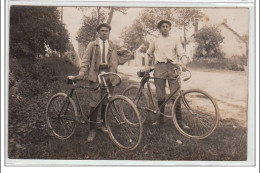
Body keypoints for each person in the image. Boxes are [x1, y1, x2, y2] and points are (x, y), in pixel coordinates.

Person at [77, 23, 133, 142]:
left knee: (105, 101)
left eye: (106, 31)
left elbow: (128, 53)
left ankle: (103, 124)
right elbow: (85, 60)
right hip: (96, 75)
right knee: (94, 102)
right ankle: (92, 129)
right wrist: (82, 71)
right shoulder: (92, 45)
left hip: (109, 75)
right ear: (98, 32)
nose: (104, 33)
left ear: (109, 33)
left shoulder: (113, 45)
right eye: (102, 31)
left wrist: (117, 61)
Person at [147, 20, 188, 126]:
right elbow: (149, 53)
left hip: (172, 67)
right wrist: (148, 65)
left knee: (175, 94)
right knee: (160, 95)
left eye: (167, 26)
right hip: (159, 67)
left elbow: (181, 52)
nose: (165, 28)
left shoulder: (175, 39)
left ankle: (179, 121)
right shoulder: (155, 40)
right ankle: (160, 119)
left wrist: (183, 61)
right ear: (159, 29)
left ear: (170, 28)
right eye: (162, 26)